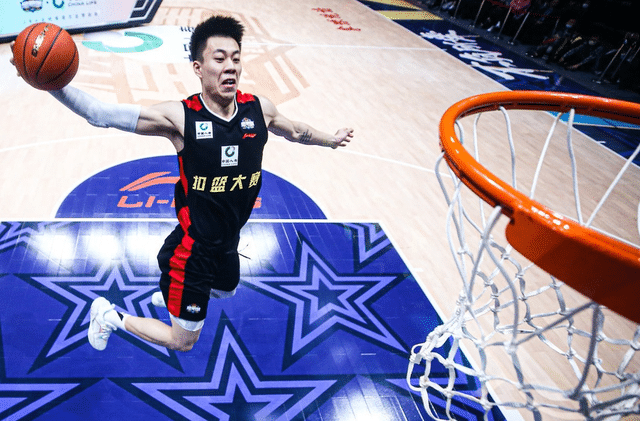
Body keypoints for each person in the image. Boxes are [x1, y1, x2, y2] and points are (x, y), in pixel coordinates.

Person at [10, 15, 354, 353]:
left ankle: (174, 295)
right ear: (198, 68)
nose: (230, 67)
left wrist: (330, 140)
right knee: (182, 341)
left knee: (227, 290)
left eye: (236, 59)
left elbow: (296, 131)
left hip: (227, 239)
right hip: (193, 252)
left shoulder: (259, 110)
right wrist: (47, 82)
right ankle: (110, 316)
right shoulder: (181, 118)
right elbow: (99, 114)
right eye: (219, 59)